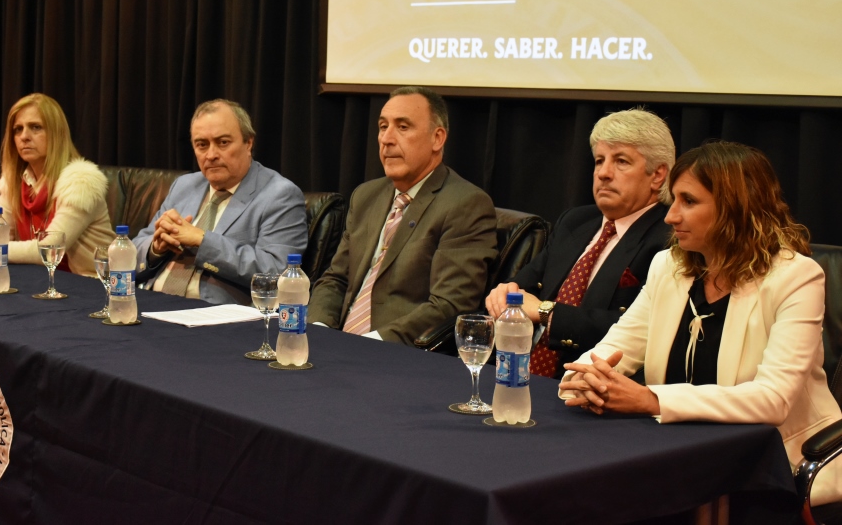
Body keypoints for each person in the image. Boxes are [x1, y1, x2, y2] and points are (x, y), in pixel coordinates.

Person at [558, 141, 842, 507]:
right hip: (679, 457)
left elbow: (772, 400)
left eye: (688, 201)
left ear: (735, 208)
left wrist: (650, 399)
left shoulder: (796, 277)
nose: (670, 216)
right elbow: (613, 350)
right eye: (673, 200)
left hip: (772, 469)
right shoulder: (667, 266)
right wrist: (587, 379)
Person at [485, 108, 674, 378]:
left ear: (657, 175)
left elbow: (640, 329)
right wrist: (504, 294)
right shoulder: (576, 221)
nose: (604, 173)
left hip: (590, 381)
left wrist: (546, 312)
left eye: (621, 161)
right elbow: (522, 289)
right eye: (599, 161)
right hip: (515, 371)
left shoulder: (669, 237)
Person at [307, 86, 497, 346]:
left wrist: (369, 343)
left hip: (394, 351)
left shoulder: (465, 204)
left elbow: (450, 304)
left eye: (403, 127)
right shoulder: (366, 196)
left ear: (437, 138)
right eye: (383, 127)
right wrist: (319, 329)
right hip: (336, 343)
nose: (386, 139)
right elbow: (336, 279)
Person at [132, 99, 307, 305]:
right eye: (202, 145)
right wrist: (155, 249)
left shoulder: (280, 195)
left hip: (213, 313)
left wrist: (202, 241)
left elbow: (278, 272)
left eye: (223, 142)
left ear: (248, 143)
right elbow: (133, 250)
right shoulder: (184, 186)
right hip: (151, 302)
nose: (211, 155)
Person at [0, 93, 114, 277]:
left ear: (56, 133)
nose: (24, 136)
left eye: (35, 127)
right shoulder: (14, 182)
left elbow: (49, 249)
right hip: (39, 279)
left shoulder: (81, 182)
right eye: (18, 129)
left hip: (89, 284)